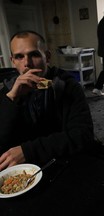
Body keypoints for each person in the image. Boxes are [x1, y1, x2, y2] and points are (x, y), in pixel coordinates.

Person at [0, 30, 95, 170]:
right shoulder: (8, 91)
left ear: (47, 56)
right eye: (19, 57)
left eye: (34, 55)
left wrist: (29, 151)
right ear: (12, 61)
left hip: (64, 164)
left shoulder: (67, 85)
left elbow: (83, 136)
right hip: (22, 170)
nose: (27, 63)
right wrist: (11, 98)